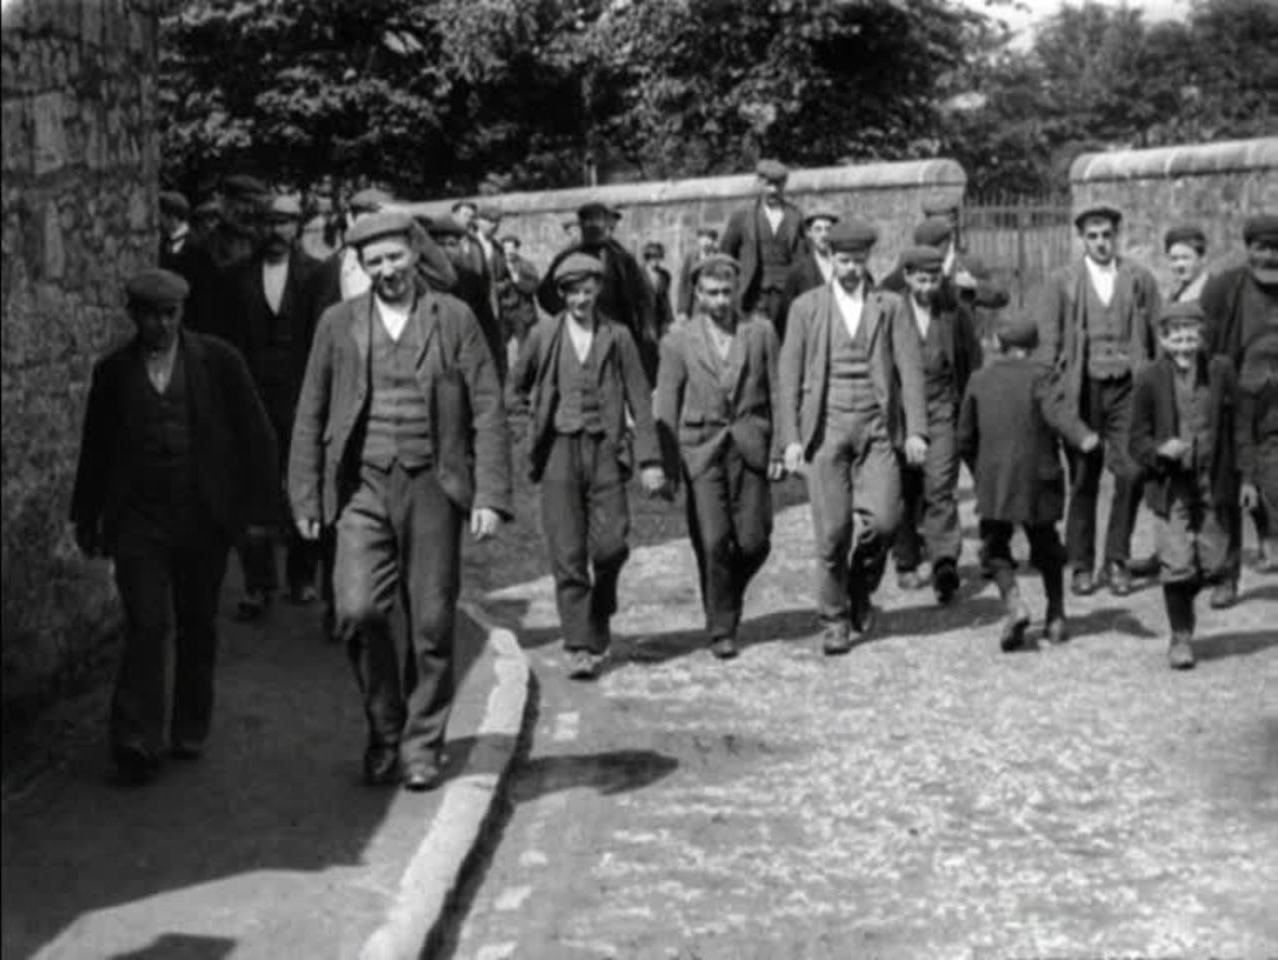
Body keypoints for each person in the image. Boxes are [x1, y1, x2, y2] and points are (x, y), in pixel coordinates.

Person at [288, 211, 511, 791]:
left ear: (415, 253)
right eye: (375, 262)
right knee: (357, 609)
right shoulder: (338, 324)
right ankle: (386, 727)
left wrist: (489, 494)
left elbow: (488, 407)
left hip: (433, 485)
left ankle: (420, 745)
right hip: (361, 488)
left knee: (432, 623)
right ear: (361, 267)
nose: (388, 271)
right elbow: (310, 410)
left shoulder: (453, 318)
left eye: (395, 257)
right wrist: (305, 495)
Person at [70, 268, 277, 783]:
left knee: (197, 622)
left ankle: (189, 724)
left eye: (170, 314)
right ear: (133, 315)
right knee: (146, 623)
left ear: (183, 313)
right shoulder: (114, 373)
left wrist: (259, 514)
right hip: (139, 521)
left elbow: (256, 436)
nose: (161, 325)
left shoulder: (219, 362)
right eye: (150, 315)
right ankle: (136, 738)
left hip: (202, 517)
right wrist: (86, 516)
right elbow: (95, 450)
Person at [510, 253, 666, 681]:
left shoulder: (618, 336)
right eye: (573, 292)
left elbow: (640, 398)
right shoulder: (544, 335)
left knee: (612, 543)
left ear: (598, 290)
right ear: (562, 295)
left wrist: (650, 460)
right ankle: (579, 644)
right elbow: (515, 389)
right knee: (568, 551)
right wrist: (526, 431)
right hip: (559, 450)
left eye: (587, 290)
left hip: (605, 449)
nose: (581, 299)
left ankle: (601, 605)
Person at [778, 218, 928, 655]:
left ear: (868, 261)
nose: (850, 269)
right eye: (843, 261)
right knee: (832, 533)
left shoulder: (890, 306)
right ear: (830, 259)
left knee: (885, 521)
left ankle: (860, 585)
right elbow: (787, 378)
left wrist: (916, 430)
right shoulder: (806, 308)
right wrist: (791, 439)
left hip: (877, 428)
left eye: (858, 261)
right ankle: (835, 619)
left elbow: (910, 371)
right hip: (825, 430)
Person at [655, 254, 784, 660]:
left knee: (754, 541)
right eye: (712, 293)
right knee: (713, 542)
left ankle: (724, 593)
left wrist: (780, 447)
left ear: (737, 290)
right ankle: (722, 627)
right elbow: (666, 403)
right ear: (697, 294)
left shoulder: (759, 332)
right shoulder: (679, 341)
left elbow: (778, 391)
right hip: (702, 448)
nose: (721, 301)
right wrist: (665, 464)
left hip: (750, 444)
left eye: (727, 292)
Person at [1035, 204, 1161, 598]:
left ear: (1116, 235)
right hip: (1083, 388)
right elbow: (1048, 347)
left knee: (1132, 472)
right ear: (1082, 239)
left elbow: (1158, 337)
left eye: (1107, 234)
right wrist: (1053, 398)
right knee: (1084, 476)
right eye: (1093, 236)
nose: (1101, 243)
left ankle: (1117, 559)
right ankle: (1081, 564)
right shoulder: (1062, 282)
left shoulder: (1138, 279)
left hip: (1128, 387)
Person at [958, 312, 1099, 651]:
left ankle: (1014, 603)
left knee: (995, 546)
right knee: (1047, 546)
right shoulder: (1043, 376)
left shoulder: (979, 379)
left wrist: (980, 471)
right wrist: (1084, 437)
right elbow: (1059, 415)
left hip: (996, 478)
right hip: (1039, 476)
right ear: (1034, 345)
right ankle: (1056, 615)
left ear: (997, 343)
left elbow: (964, 437)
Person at [222, 195, 322, 617]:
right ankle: (258, 584)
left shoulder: (316, 275)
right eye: (269, 222)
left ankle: (302, 576)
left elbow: (324, 340)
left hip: (301, 398)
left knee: (304, 486)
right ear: (258, 226)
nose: (276, 231)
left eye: (285, 223)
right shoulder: (235, 277)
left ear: (297, 227)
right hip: (252, 400)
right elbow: (225, 341)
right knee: (254, 491)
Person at [1129, 302, 1239, 670]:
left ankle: (1186, 589)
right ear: (1163, 340)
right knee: (1177, 562)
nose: (1184, 345)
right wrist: (1160, 451)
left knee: (1215, 561)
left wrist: (1246, 476)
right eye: (1176, 338)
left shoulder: (1220, 370)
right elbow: (1135, 439)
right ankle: (1180, 637)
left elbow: (1239, 425)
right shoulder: (1149, 377)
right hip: (1170, 483)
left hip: (1211, 479)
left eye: (1191, 337)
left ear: (1202, 337)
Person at [890, 245, 983, 605]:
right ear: (907, 277)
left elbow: (972, 362)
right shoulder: (891, 311)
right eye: (921, 280)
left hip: (944, 407)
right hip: (902, 412)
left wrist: (970, 409)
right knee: (905, 487)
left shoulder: (953, 314)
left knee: (940, 485)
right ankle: (907, 557)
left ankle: (944, 562)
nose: (927, 287)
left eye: (933, 280)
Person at [1202, 212, 1278, 575]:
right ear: (1248, 248)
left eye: (1276, 249)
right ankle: (1227, 574)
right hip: (1236, 401)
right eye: (1261, 248)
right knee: (1229, 483)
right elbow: (1206, 343)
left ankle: (1270, 539)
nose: (1269, 257)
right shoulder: (1225, 288)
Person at [537, 202, 659, 382]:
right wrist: (571, 312)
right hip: (578, 332)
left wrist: (645, 336)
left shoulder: (621, 258)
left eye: (598, 223)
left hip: (613, 331)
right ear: (582, 226)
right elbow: (545, 294)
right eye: (589, 224)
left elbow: (641, 300)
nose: (594, 229)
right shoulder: (567, 258)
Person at [720, 159, 806, 334]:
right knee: (754, 339)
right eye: (768, 184)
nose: (773, 190)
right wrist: (734, 285)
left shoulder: (795, 216)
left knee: (785, 338)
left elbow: (802, 257)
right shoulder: (743, 215)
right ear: (759, 183)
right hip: (754, 295)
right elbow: (726, 254)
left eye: (778, 185)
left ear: (784, 185)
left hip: (786, 294)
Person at [425, 214, 507, 381]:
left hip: (463, 359)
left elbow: (488, 329)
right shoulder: (419, 281)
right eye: (439, 244)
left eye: (452, 244)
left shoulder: (471, 281)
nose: (446, 251)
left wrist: (496, 370)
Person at [158, 190, 221, 339]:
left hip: (193, 321)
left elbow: (205, 292)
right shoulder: (162, 244)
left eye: (160, 215)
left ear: (171, 217)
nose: (158, 220)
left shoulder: (199, 247)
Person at [778, 210, 838, 339]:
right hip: (810, 339)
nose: (824, 235)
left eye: (828, 229)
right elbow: (785, 315)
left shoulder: (846, 267)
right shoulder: (798, 272)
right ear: (809, 233)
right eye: (818, 229)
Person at [205, 174, 268, 270]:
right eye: (245, 202)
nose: (250, 210)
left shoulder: (258, 239)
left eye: (255, 203)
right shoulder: (211, 242)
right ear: (227, 202)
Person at [498, 234, 542, 349]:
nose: (509, 251)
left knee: (525, 349)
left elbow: (535, 286)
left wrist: (518, 281)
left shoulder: (526, 265)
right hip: (503, 313)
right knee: (498, 347)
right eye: (506, 248)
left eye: (512, 248)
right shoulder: (497, 265)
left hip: (521, 313)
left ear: (516, 249)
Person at [677, 227, 720, 321]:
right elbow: (684, 283)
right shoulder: (690, 257)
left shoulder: (719, 257)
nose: (705, 242)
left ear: (713, 241)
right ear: (698, 239)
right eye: (702, 237)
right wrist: (682, 310)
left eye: (709, 238)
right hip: (695, 304)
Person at [1165, 224, 1210, 304]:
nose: (1180, 265)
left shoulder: (1216, 294)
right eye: (1174, 259)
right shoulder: (1174, 297)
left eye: (1185, 258)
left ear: (1202, 258)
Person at [641, 240, 677, 340]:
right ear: (647, 257)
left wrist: (670, 320)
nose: (655, 260)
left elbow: (665, 299)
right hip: (644, 318)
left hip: (660, 318)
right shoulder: (638, 274)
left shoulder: (665, 275)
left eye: (658, 257)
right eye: (652, 257)